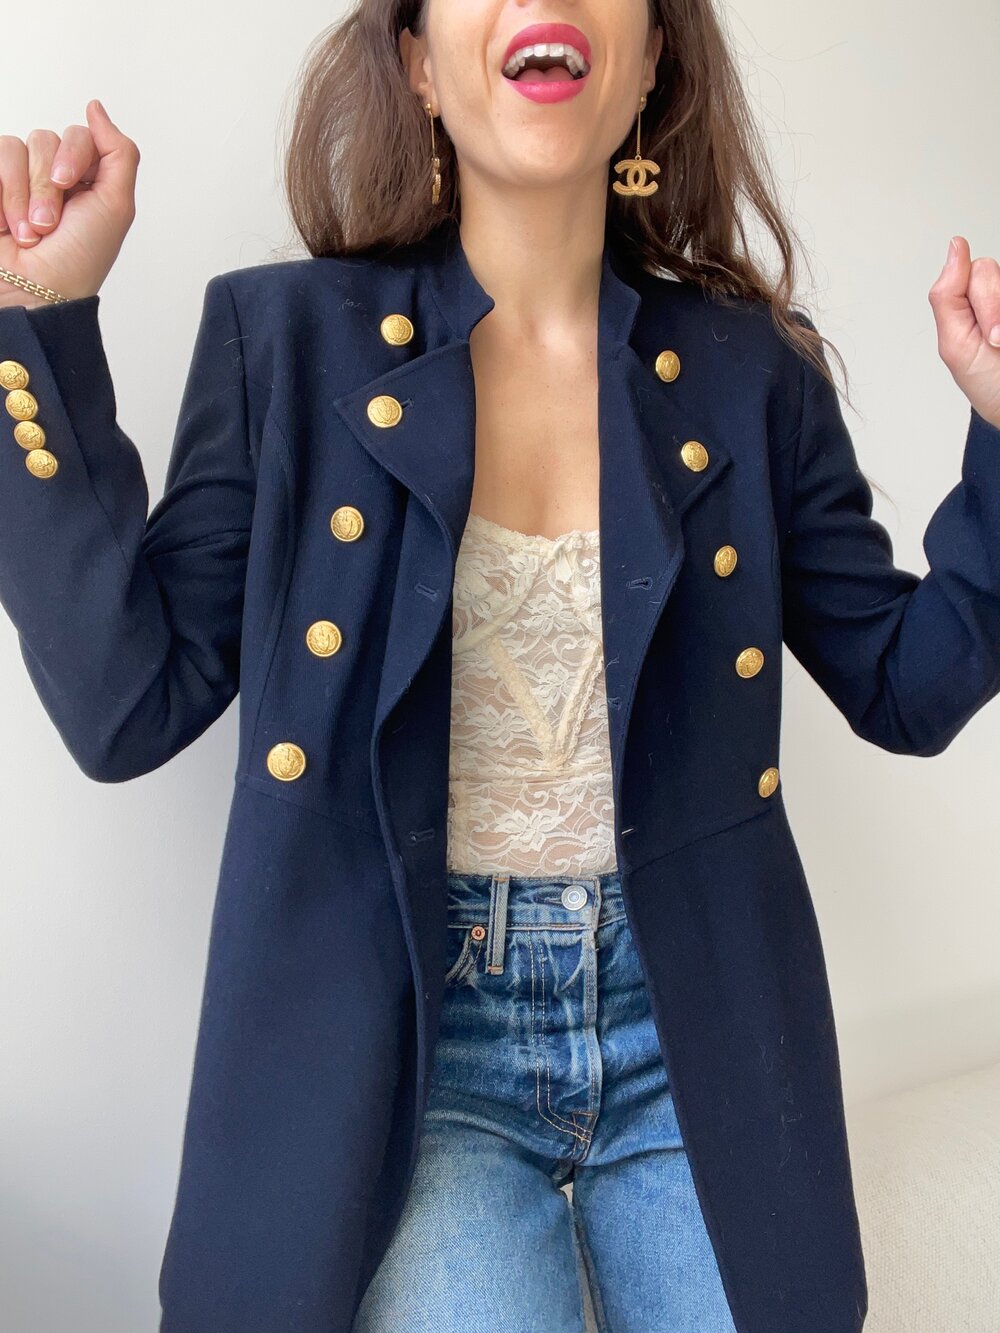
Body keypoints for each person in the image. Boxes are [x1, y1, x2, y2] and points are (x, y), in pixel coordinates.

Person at [1, 3, 998, 1330]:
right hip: (409, 1048)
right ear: (416, 60)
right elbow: (126, 703)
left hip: (696, 1031)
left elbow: (907, 683)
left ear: (650, 59)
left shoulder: (749, 373)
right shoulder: (284, 343)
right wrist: (39, 317)